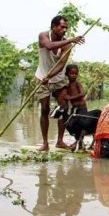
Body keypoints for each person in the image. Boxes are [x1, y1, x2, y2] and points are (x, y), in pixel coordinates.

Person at [35, 15, 85, 151]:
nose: (64, 30)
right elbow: (50, 46)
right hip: (41, 78)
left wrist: (50, 75)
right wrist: (73, 39)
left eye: (66, 28)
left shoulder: (67, 45)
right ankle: (45, 143)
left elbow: (61, 65)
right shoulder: (43, 36)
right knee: (44, 110)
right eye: (62, 27)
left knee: (63, 109)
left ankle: (60, 141)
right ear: (54, 27)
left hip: (58, 79)